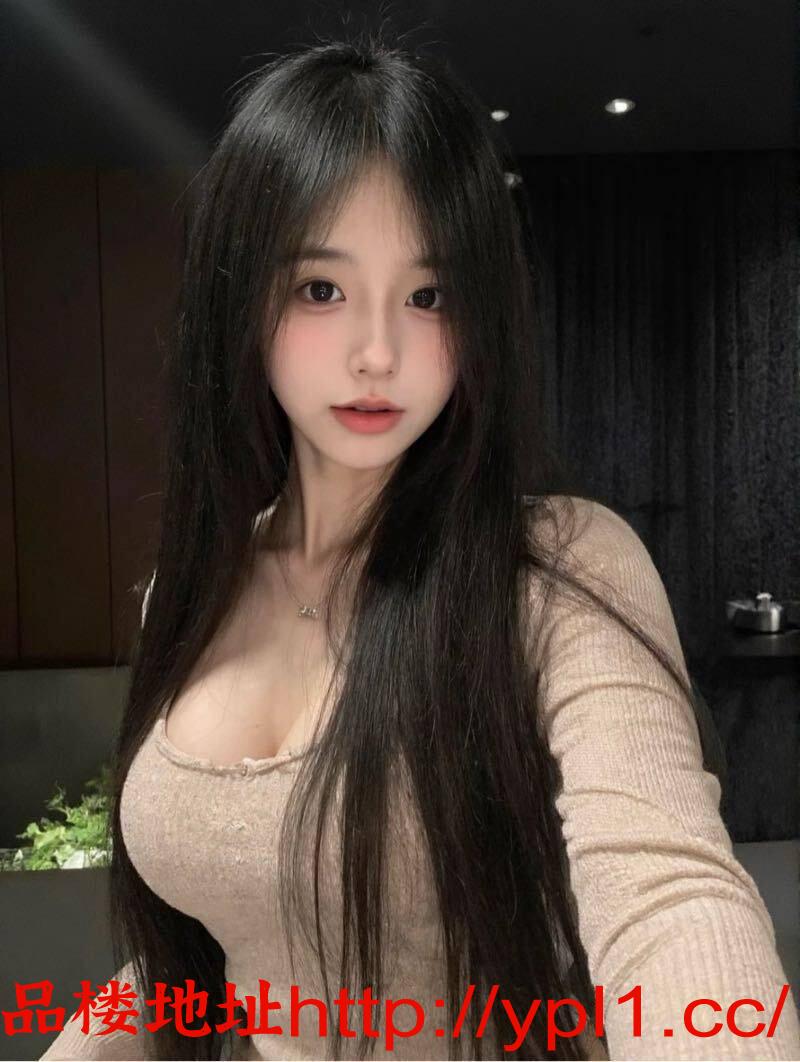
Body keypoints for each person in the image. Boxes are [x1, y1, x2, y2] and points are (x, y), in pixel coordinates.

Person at [40, 26, 799, 1062]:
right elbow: (208, 955)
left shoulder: (554, 568)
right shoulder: (190, 585)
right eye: (321, 289)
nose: (377, 352)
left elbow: (669, 892)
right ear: (241, 298)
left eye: (428, 295)